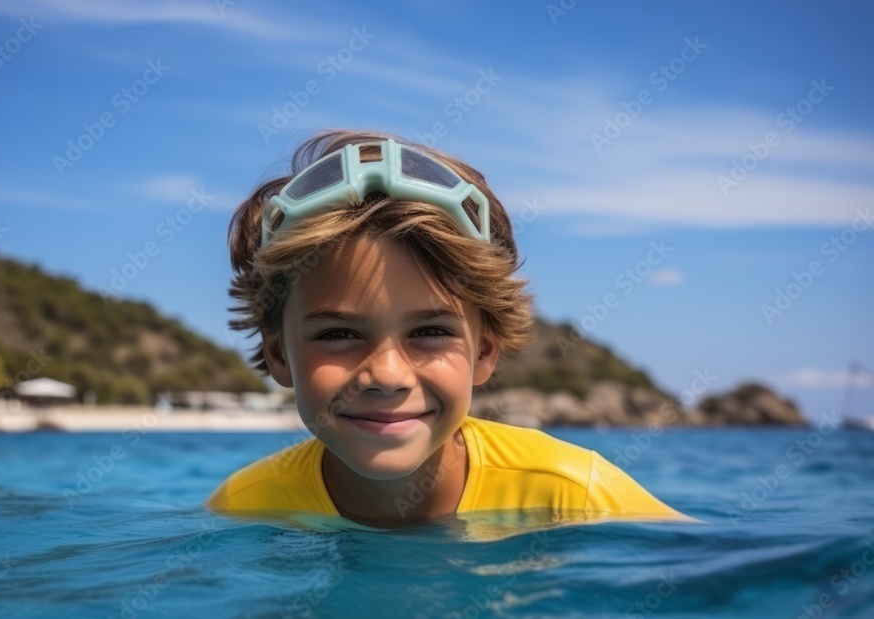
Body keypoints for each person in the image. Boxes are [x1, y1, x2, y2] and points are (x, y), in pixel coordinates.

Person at [207, 129, 692, 531]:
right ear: (279, 356)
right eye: (338, 334)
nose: (388, 375)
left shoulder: (577, 497)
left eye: (431, 332)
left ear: (485, 351)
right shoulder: (247, 509)